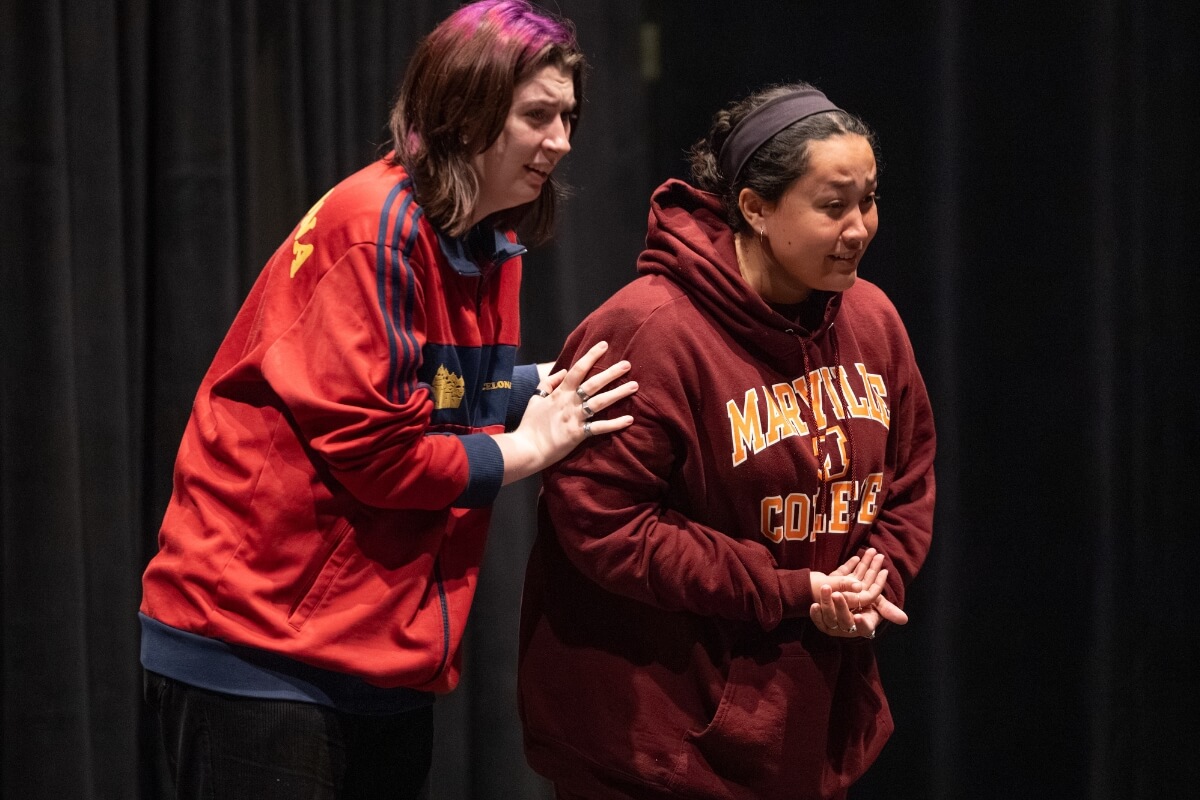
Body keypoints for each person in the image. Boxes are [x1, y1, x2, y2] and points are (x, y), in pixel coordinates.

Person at [138, 2, 637, 798]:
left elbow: (434, 391)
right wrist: (529, 448)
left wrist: (544, 385)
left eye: (569, 117)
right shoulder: (374, 229)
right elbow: (381, 452)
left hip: (373, 654)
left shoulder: (489, 237)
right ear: (465, 109)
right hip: (259, 653)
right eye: (538, 116)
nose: (562, 141)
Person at [517, 82, 936, 800]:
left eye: (867, 201)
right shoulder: (650, 332)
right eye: (833, 206)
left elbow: (910, 479)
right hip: (655, 746)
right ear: (756, 208)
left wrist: (873, 580)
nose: (860, 227)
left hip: (801, 728)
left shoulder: (872, 319)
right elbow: (604, 524)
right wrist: (785, 588)